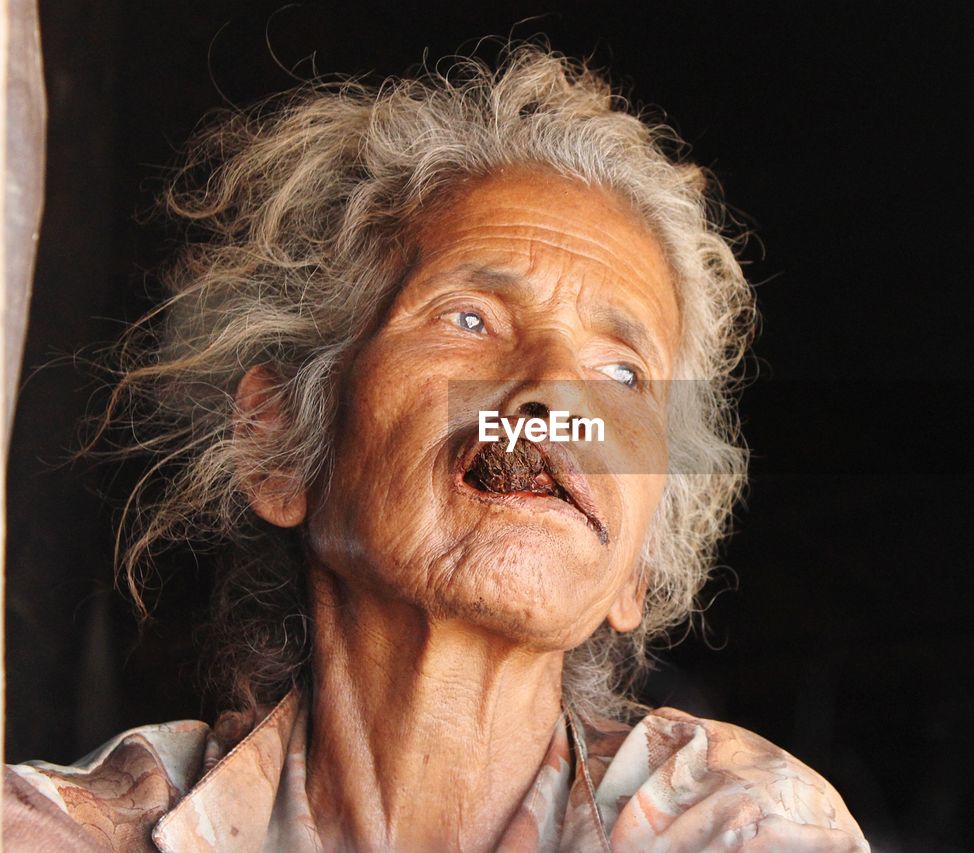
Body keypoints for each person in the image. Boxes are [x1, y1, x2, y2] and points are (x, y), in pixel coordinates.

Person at [3, 46, 869, 852]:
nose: (551, 397)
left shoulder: (741, 828)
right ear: (277, 443)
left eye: (620, 372)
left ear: (636, 567)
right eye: (470, 319)